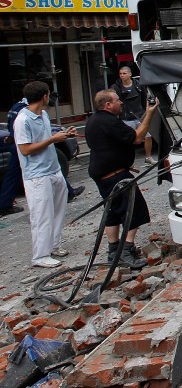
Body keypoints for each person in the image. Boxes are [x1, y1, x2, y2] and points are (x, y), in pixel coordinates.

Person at [85, 89, 158, 269]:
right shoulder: (109, 122)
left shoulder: (94, 120)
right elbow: (138, 137)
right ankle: (126, 250)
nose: (121, 103)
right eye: (118, 100)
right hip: (114, 176)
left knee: (112, 213)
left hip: (105, 173)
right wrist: (149, 113)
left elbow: (110, 145)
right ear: (108, 105)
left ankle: (113, 251)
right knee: (134, 209)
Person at [13, 82, 76, 268]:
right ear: (44, 97)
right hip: (37, 175)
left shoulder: (44, 114)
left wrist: (63, 134)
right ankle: (40, 256)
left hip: (53, 169)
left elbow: (47, 137)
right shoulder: (22, 120)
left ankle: (54, 245)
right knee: (42, 215)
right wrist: (52, 140)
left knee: (58, 211)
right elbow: (25, 150)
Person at [2, 99, 84, 215]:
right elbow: (28, 145)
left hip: (20, 145)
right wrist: (52, 139)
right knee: (16, 174)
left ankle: (68, 192)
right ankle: (5, 203)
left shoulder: (18, 107)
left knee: (14, 174)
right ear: (43, 97)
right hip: (26, 152)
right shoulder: (25, 114)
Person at [112, 64, 153, 166]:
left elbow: (144, 99)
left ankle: (148, 158)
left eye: (124, 73)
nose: (122, 75)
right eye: (120, 74)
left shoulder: (139, 85)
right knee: (128, 141)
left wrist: (144, 112)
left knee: (148, 136)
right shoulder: (115, 87)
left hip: (139, 115)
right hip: (126, 117)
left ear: (130, 74)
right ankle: (128, 162)